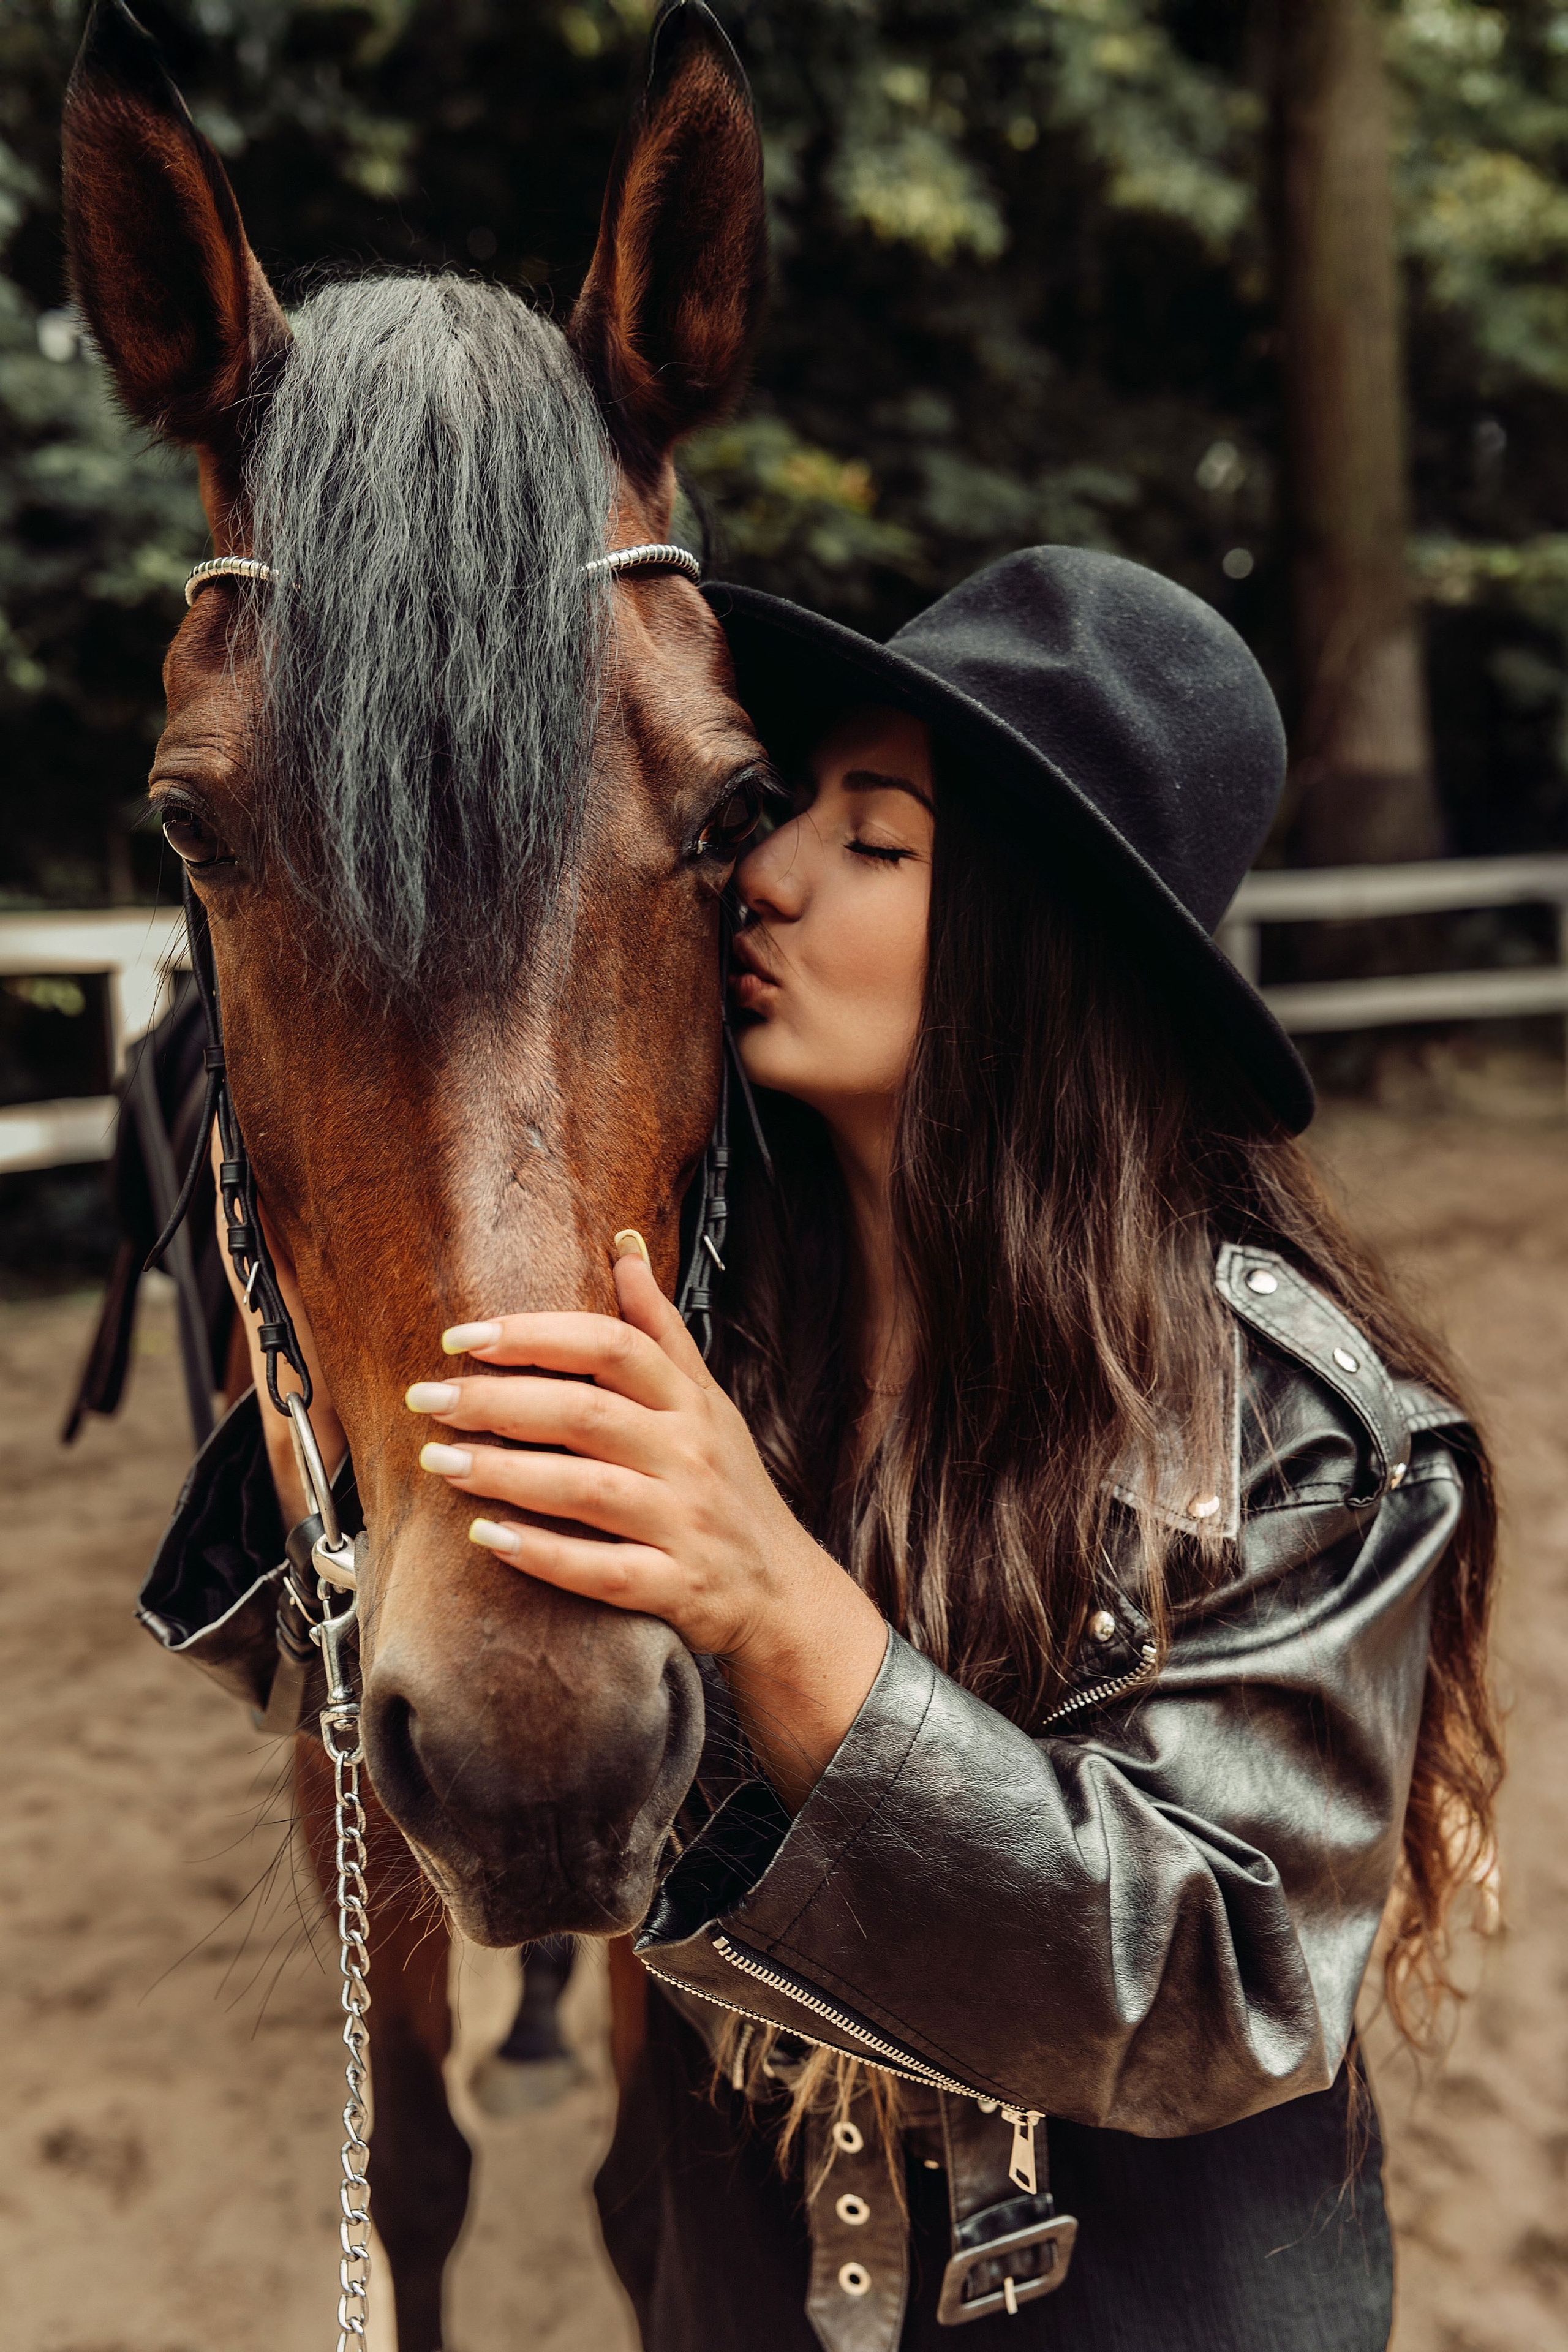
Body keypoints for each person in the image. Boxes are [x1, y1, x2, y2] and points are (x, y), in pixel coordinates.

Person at [405, 548, 1500, 2350]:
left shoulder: (1314, 1436)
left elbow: (1223, 1988)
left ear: (1037, 944)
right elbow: (350, 1661)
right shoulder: (705, 1337)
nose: (762, 877)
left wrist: (780, 1607)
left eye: (878, 843)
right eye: (786, 816)